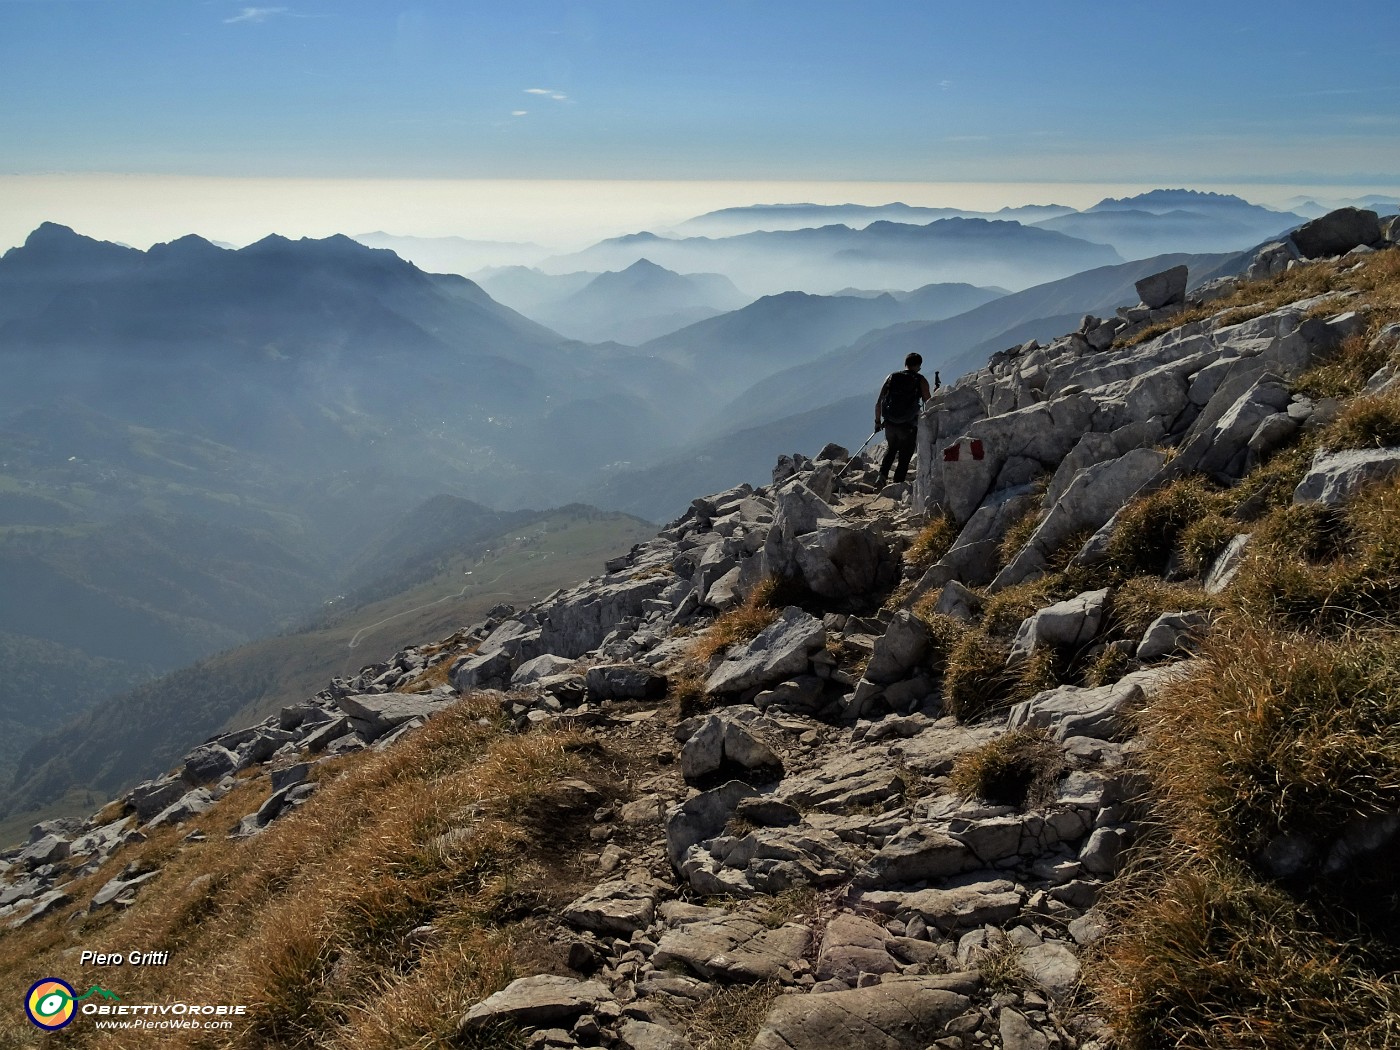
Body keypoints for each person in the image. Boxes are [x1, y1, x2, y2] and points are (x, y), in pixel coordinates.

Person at [874, 353, 939, 488]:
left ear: (906, 363)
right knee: (905, 453)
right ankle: (897, 484)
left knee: (892, 448)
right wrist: (937, 392)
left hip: (890, 423)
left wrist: (877, 422)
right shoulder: (920, 380)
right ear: (919, 366)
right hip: (908, 425)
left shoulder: (891, 377)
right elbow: (929, 402)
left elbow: (878, 402)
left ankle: (882, 476)